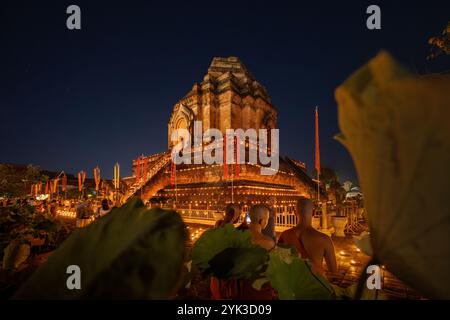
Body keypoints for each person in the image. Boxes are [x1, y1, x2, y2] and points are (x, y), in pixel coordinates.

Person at [278, 198, 337, 276]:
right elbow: (333, 270)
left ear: (295, 213)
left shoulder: (284, 235)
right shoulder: (325, 239)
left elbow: (279, 263)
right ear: (313, 212)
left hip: (291, 283)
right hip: (314, 284)